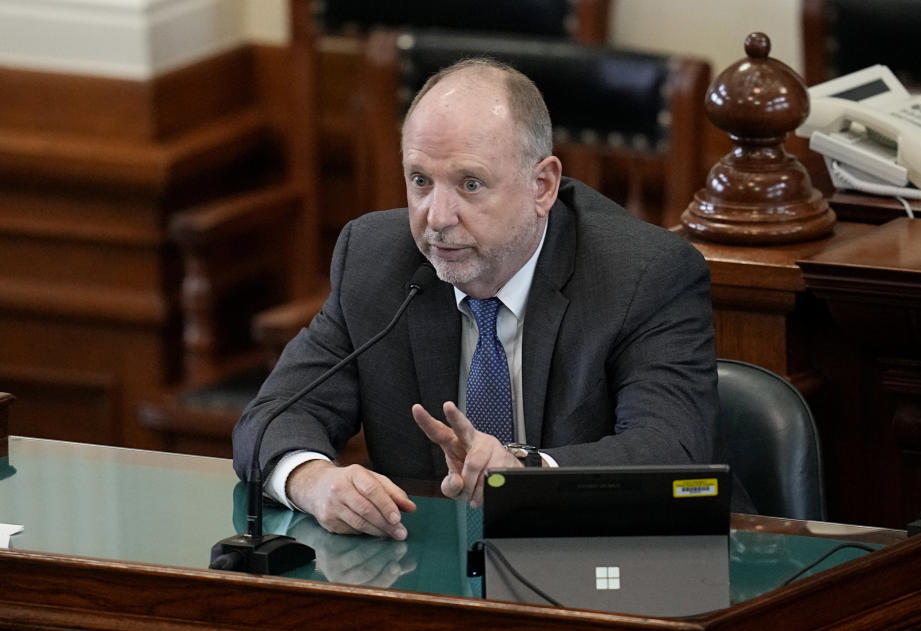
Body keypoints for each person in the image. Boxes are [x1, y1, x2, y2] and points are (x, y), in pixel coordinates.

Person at [233, 58, 719, 542]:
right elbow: (273, 415)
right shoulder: (376, 261)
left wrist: (523, 472)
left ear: (542, 186)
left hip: (612, 562)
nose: (437, 217)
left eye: (470, 184)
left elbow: (671, 450)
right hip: (432, 571)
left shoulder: (643, 273)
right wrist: (315, 482)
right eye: (420, 181)